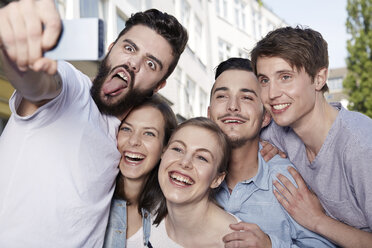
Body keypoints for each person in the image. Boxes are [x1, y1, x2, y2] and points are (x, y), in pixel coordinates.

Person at [0, 0, 188, 246]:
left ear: (158, 86)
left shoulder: (123, 139)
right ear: (110, 49)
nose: (133, 63)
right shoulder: (71, 89)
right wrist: (24, 56)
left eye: (150, 64)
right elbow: (39, 83)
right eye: (129, 48)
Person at [250, 26, 372, 247]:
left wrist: (317, 220)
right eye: (264, 80)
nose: (271, 94)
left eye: (285, 77)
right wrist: (258, 143)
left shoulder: (361, 146)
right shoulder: (279, 129)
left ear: (319, 78)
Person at [207, 57, 335, 247]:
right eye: (222, 96)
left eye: (247, 97)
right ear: (209, 114)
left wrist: (271, 245)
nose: (232, 106)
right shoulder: (190, 174)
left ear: (266, 116)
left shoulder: (289, 182)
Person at [150, 117, 240, 247]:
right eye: (178, 149)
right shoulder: (145, 215)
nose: (185, 162)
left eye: (202, 158)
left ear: (217, 179)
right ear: (163, 154)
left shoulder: (237, 241)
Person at [103, 94, 177, 247]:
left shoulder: (173, 212)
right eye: (126, 129)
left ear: (165, 148)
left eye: (149, 133)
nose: (134, 141)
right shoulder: (90, 197)